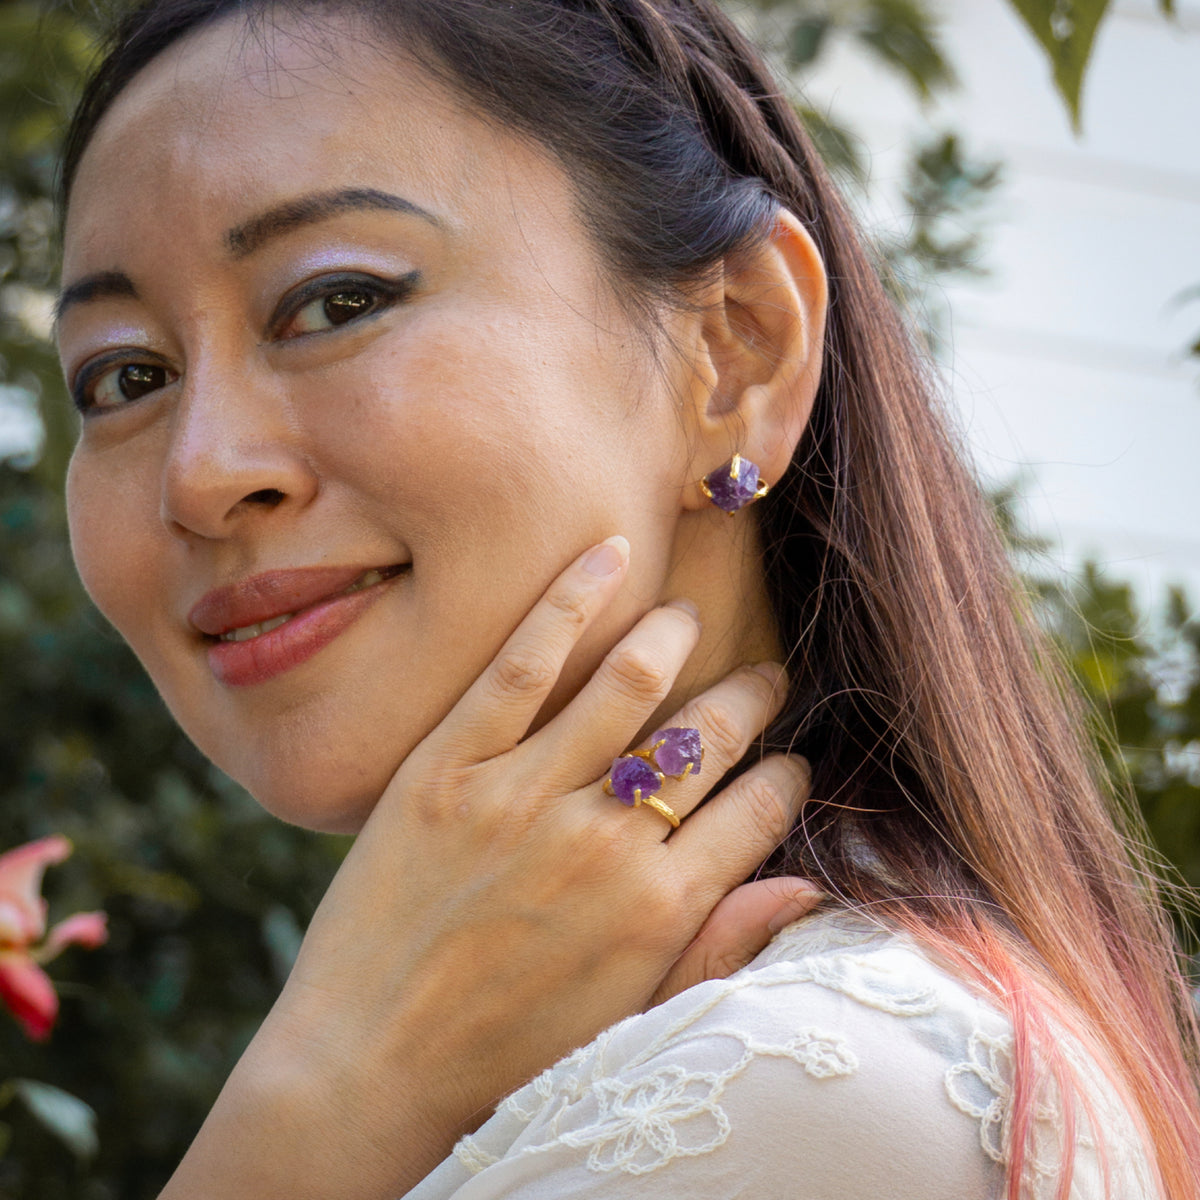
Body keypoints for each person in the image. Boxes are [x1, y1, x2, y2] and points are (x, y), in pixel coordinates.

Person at [53, 0, 1200, 1196]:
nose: (200, 474)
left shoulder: (804, 1091)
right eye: (126, 375)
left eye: (338, 300)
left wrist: (324, 1096)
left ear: (739, 350)